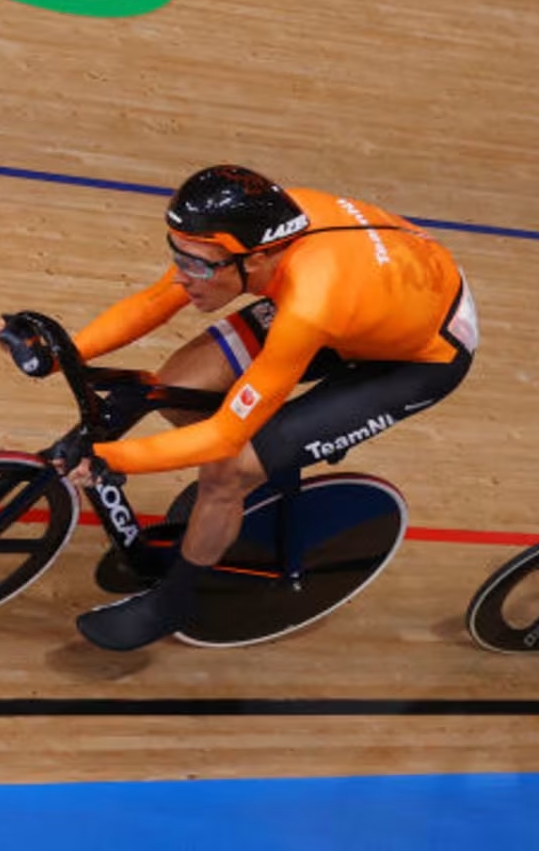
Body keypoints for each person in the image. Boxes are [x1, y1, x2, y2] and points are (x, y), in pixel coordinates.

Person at [39, 166, 478, 651]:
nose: (185, 276)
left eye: (201, 267)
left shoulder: (310, 300)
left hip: (417, 357)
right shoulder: (243, 231)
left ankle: (174, 600)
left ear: (260, 257)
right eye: (177, 255)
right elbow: (156, 301)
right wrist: (61, 353)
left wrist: (112, 459)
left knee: (228, 468)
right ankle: (250, 487)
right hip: (374, 298)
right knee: (179, 383)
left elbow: (225, 436)